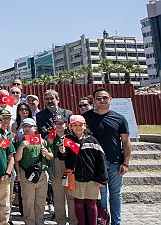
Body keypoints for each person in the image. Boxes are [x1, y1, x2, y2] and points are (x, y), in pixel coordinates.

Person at [82, 88, 131, 225]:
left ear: (110, 99)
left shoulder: (119, 118)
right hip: (96, 164)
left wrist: (126, 163)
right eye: (98, 98)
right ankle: (103, 222)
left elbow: (126, 141)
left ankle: (116, 222)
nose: (102, 100)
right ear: (94, 100)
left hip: (116, 163)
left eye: (105, 98)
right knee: (101, 197)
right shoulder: (87, 117)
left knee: (116, 195)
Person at [60, 115, 108, 225]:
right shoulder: (68, 140)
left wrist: (102, 178)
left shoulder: (92, 140)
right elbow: (64, 159)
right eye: (75, 125)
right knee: (78, 203)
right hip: (76, 178)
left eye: (80, 125)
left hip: (91, 178)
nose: (78, 128)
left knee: (91, 203)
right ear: (71, 127)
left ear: (85, 126)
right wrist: (62, 152)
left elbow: (101, 160)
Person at [15, 118, 53, 225]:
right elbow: (17, 159)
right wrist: (21, 147)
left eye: (29, 126)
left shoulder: (43, 141)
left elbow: (50, 157)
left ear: (35, 128)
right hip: (26, 174)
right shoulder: (20, 142)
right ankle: (29, 222)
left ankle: (39, 222)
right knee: (28, 202)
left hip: (42, 174)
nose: (27, 128)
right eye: (24, 126)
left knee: (40, 201)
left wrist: (46, 153)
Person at [49, 115, 77, 225]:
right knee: (58, 196)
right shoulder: (51, 137)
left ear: (66, 126)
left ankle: (73, 221)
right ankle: (60, 221)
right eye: (56, 123)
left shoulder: (71, 137)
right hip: (56, 165)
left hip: (68, 167)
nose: (58, 126)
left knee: (71, 196)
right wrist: (50, 141)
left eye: (61, 124)